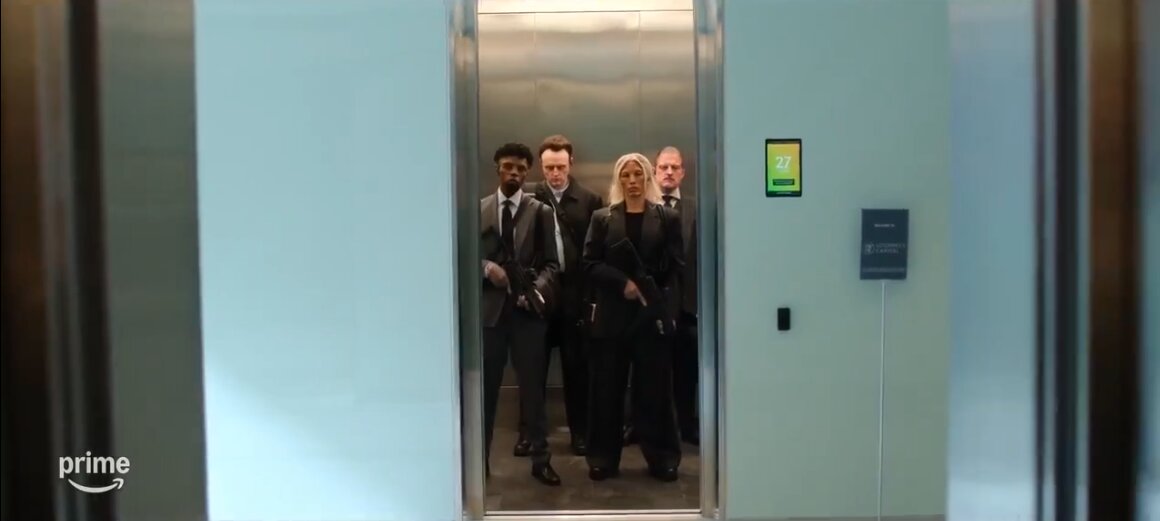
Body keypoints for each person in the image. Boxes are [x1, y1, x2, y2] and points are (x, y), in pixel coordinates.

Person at [581, 152, 683, 482]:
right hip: (612, 315)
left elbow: (676, 265)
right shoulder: (602, 218)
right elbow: (589, 264)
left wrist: (663, 304)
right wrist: (621, 283)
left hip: (650, 314)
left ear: (648, 177)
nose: (632, 181)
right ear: (618, 180)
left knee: (655, 390)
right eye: (626, 175)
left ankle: (663, 457)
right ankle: (602, 458)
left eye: (638, 174)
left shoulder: (667, 218)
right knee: (606, 389)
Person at [512, 135, 605, 458]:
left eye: (560, 167)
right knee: (532, 368)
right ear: (541, 166)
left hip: (573, 292)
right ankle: (529, 433)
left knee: (577, 367)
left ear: (571, 164)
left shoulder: (589, 200)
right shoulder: (528, 197)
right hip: (537, 288)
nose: (555, 173)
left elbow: (596, 251)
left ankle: (580, 433)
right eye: (549, 167)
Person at [480, 142, 561, 486]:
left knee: (533, 394)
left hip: (527, 316)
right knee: (484, 393)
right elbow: (462, 255)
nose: (514, 173)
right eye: (508, 166)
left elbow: (553, 264)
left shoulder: (540, 211)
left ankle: (541, 460)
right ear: (497, 168)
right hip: (490, 315)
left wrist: (536, 292)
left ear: (528, 173)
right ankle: (478, 462)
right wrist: (486, 268)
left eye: (520, 168)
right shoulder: (479, 210)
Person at [655, 146, 700, 445]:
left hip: (687, 305)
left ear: (683, 173)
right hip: (653, 304)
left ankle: (686, 423)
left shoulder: (697, 210)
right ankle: (646, 426)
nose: (669, 172)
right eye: (663, 167)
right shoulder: (644, 206)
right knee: (651, 370)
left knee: (686, 371)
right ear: (655, 172)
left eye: (674, 167)